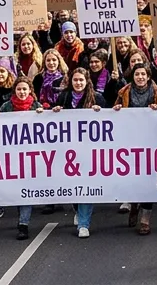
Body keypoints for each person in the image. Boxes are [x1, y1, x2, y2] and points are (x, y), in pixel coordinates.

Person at [52, 66, 105, 237]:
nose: (78, 83)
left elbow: (109, 121)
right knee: (71, 186)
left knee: (85, 186)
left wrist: (100, 113)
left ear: (87, 81)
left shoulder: (97, 98)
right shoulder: (64, 96)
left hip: (88, 151)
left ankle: (84, 224)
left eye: (81, 80)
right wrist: (55, 112)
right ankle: (77, 209)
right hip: (67, 151)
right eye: (75, 80)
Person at [113, 63, 157, 234]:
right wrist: (117, 109)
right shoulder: (124, 92)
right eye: (137, 74)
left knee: (148, 179)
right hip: (130, 142)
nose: (140, 77)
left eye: (143, 74)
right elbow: (114, 112)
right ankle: (134, 205)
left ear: (148, 76)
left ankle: (145, 220)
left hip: (150, 143)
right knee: (133, 176)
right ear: (133, 76)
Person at [0, 76, 44, 239]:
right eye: (19, 89)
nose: (21, 92)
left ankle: (23, 224)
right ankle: (1, 205)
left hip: (30, 156)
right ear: (15, 91)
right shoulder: (6, 107)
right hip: (11, 156)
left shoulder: (37, 106)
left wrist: (45, 115)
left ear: (30, 91)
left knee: (25, 189)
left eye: (24, 89)